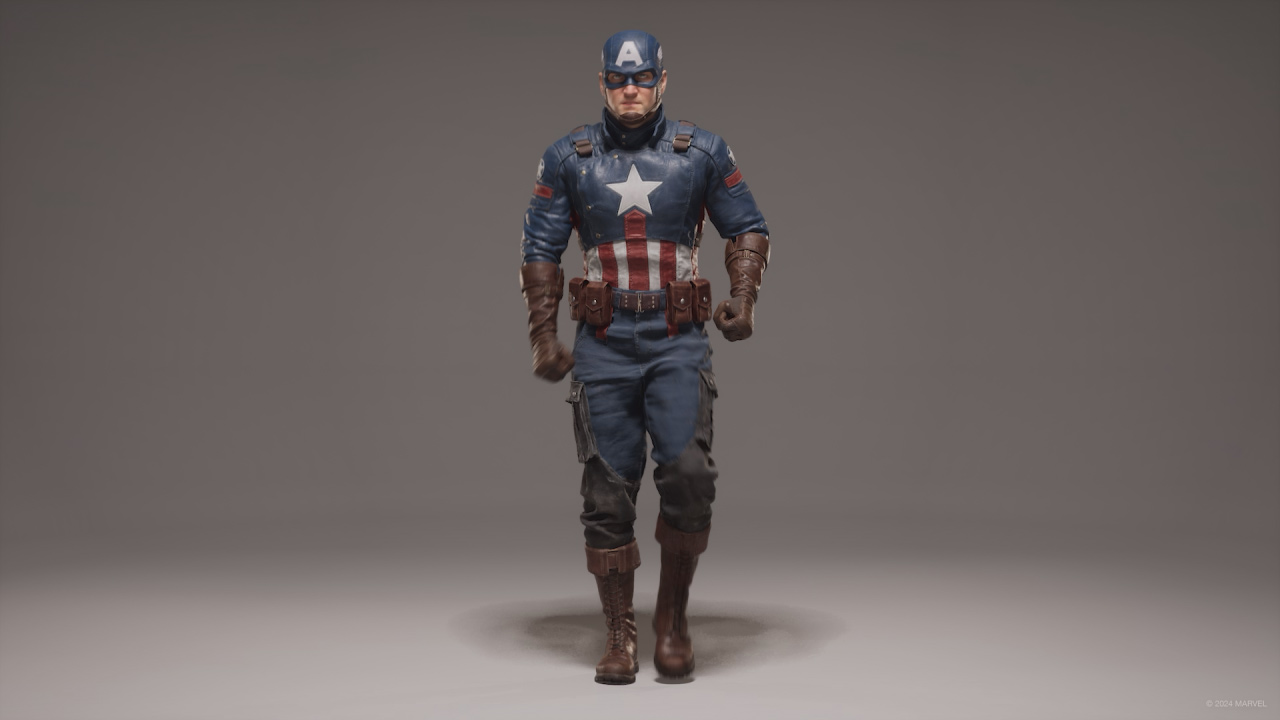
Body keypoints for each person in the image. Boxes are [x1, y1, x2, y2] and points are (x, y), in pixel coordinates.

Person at [518, 29, 771, 684]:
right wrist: (544, 336)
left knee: (689, 475)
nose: (630, 90)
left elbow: (747, 226)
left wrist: (744, 299)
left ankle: (673, 617)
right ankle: (620, 633)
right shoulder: (569, 158)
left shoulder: (701, 152)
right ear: (602, 83)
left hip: (676, 338)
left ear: (662, 81)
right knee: (606, 490)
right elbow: (540, 248)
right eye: (618, 79)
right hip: (604, 343)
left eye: (641, 79)